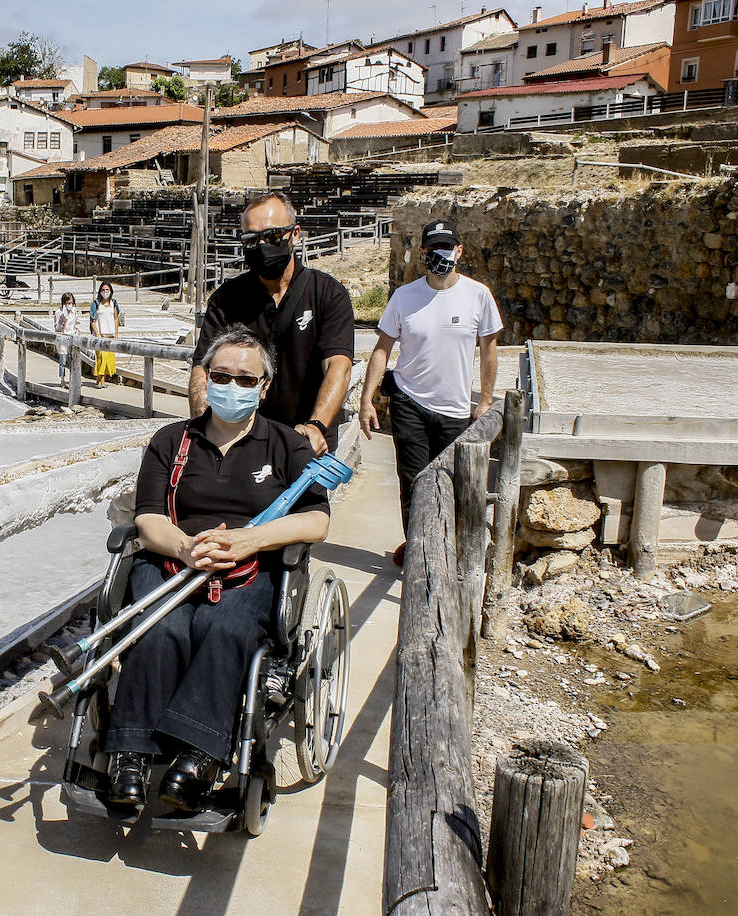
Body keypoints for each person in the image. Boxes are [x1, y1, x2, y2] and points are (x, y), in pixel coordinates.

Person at [103, 325, 331, 811]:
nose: (233, 387)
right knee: (161, 628)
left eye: (247, 380)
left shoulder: (286, 445)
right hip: (175, 555)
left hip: (252, 565)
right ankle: (132, 752)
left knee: (223, 627)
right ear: (205, 378)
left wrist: (249, 540)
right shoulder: (170, 441)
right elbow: (148, 518)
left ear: (264, 387)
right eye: (221, 375)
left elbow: (315, 520)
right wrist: (186, 548)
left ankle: (200, 751)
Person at [359, 219, 503, 568]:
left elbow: (489, 348)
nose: (441, 255)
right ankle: (419, 549)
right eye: (433, 248)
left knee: (452, 484)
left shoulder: (477, 294)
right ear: (423, 253)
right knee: (413, 481)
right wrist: (366, 399)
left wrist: (485, 399)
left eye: (447, 248)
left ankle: (446, 549)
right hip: (409, 402)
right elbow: (382, 349)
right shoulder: (405, 297)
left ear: (459, 252)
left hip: (453, 409)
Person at [190, 191, 354, 457]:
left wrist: (316, 425)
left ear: (295, 234)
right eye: (252, 239)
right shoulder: (227, 298)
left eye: (273, 236)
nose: (263, 245)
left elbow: (338, 366)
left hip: (305, 443)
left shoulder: (327, 293)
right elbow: (202, 367)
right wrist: (203, 428)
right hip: (241, 443)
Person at [90, 280, 120, 388]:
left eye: (107, 290)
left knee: (108, 359)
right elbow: (92, 320)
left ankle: (99, 381)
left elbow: (116, 318)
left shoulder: (114, 303)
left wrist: (116, 333)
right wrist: (97, 333)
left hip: (110, 335)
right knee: (101, 358)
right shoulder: (96, 303)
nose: (105, 292)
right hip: (100, 335)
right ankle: (102, 382)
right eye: (103, 290)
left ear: (111, 291)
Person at [53, 291, 80, 385]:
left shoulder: (74, 310)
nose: (70, 305)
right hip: (62, 338)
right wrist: (63, 322)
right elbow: (56, 328)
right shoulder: (58, 312)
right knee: (63, 359)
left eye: (71, 303)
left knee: (74, 359)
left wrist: (77, 331)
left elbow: (77, 322)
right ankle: (62, 380)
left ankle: (74, 379)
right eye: (68, 303)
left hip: (73, 337)